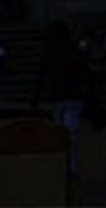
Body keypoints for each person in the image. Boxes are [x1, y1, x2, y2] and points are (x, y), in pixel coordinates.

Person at [33, 21, 89, 178]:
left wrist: (36, 97)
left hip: (58, 96)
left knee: (60, 132)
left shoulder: (50, 53)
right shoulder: (73, 51)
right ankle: (70, 165)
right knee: (70, 133)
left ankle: (63, 164)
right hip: (71, 96)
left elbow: (42, 76)